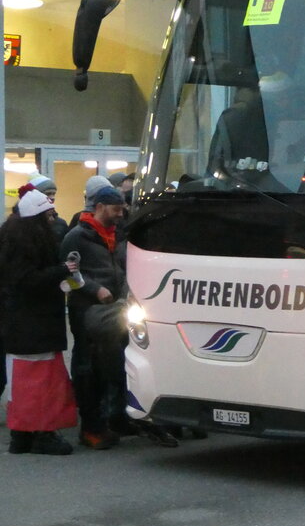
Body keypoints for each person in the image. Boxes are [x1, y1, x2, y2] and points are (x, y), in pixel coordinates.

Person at [60, 186, 178, 449]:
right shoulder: (76, 237)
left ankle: (115, 418)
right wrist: (95, 289)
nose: (120, 214)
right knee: (89, 370)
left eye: (122, 209)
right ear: (100, 207)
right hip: (88, 314)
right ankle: (91, 427)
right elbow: (67, 272)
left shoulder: (118, 235)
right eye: (115, 210)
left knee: (116, 367)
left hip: (117, 312)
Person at [0, 189, 79, 455]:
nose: (53, 218)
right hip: (36, 326)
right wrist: (62, 271)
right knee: (43, 387)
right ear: (37, 218)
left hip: (20, 327)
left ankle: (21, 436)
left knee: (21, 387)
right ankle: (43, 434)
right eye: (49, 214)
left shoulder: (12, 240)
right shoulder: (29, 244)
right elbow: (28, 281)